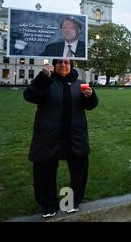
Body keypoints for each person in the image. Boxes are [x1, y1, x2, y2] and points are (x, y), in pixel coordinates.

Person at [23, 59, 98, 218]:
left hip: (75, 135)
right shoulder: (46, 81)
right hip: (49, 135)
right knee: (45, 172)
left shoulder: (79, 83)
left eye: (66, 63)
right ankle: (48, 204)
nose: (63, 65)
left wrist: (90, 96)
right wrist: (43, 78)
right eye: (59, 63)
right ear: (54, 65)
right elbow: (29, 96)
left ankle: (71, 201)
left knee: (78, 172)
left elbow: (90, 105)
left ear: (71, 65)